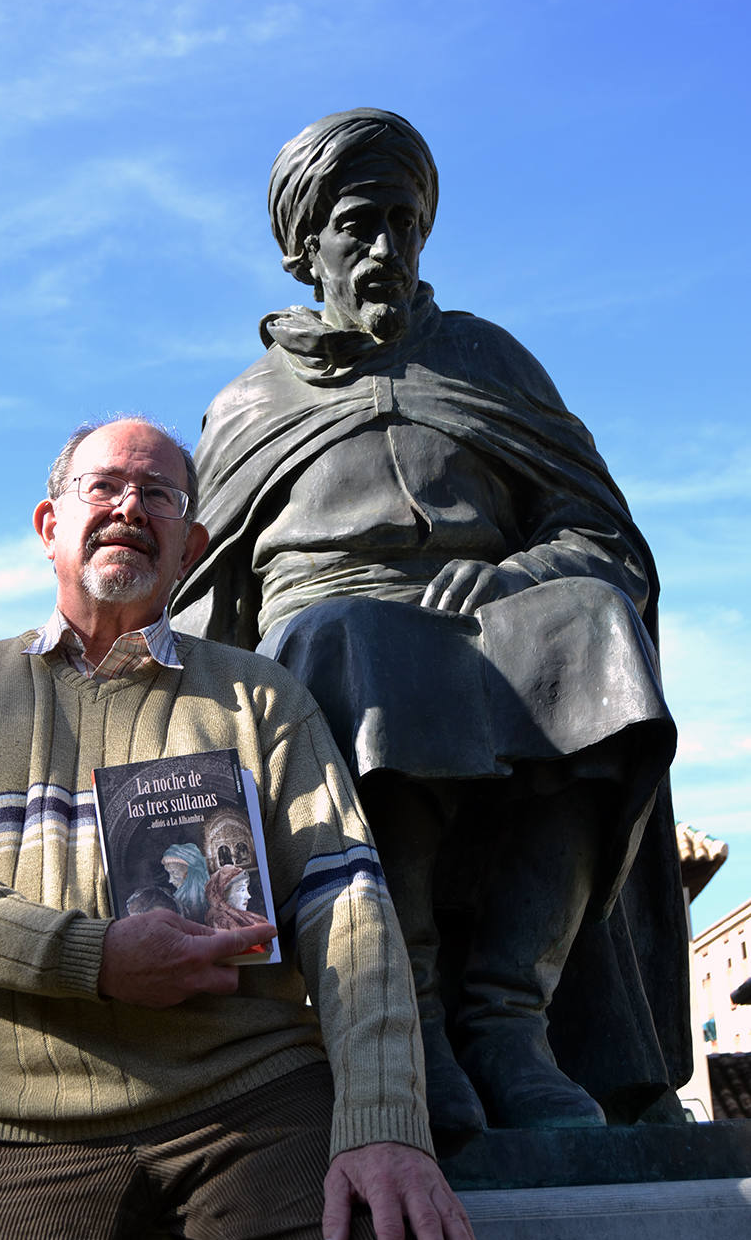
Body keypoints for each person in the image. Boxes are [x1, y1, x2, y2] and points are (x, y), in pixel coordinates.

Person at [0, 416, 507, 1240]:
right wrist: (93, 955)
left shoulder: (262, 697)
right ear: (48, 524)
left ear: (191, 546)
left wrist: (385, 1120)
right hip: (5, 1125)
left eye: (160, 495)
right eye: (104, 486)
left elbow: (347, 904)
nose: (130, 508)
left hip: (253, 1101)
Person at [172, 108, 690, 1138]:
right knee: (346, 642)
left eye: (407, 226)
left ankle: (511, 1022)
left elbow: (599, 529)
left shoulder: (488, 361)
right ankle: (409, 1020)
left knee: (595, 625)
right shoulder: (248, 405)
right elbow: (205, 605)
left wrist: (524, 575)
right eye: (362, 225)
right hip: (326, 637)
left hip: (499, 623)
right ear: (305, 245)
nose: (387, 249)